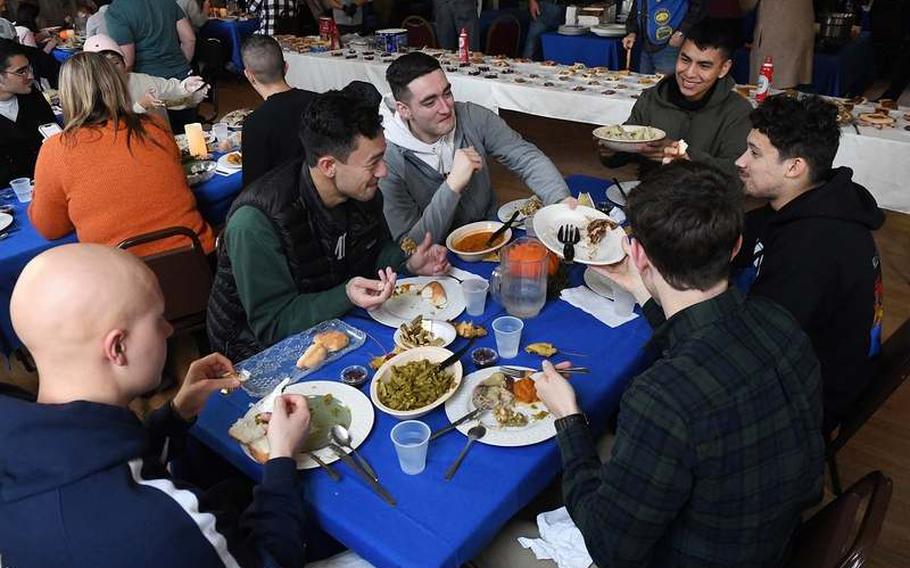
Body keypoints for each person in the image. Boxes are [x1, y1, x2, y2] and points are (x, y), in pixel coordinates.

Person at [533, 161, 825, 567]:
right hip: (772, 539)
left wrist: (568, 418)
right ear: (736, 245)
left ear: (636, 252)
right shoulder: (779, 321)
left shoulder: (661, 400)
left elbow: (607, 545)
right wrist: (642, 289)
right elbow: (701, 334)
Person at [0, 243, 310, 568]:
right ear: (118, 347)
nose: (169, 329)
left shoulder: (25, 448)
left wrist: (177, 412)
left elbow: (114, 459)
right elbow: (272, 560)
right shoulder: (163, 522)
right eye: (158, 318)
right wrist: (281, 459)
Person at [207, 87, 451, 361]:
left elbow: (375, 251)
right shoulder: (256, 223)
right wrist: (345, 295)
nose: (383, 171)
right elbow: (272, 325)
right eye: (373, 163)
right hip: (254, 353)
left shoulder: (362, 191)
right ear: (328, 166)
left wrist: (407, 261)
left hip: (337, 320)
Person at [733, 94, 885, 432]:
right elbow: (741, 236)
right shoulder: (811, 201)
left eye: (755, 153)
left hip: (802, 404)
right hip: (798, 365)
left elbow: (753, 352)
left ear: (794, 167)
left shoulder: (813, 249)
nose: (740, 161)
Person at [29, 52, 215, 257]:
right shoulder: (154, 126)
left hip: (126, 276)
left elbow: (51, 229)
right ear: (118, 83)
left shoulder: (57, 149)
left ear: (67, 95)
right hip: (197, 258)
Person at [380, 52, 572, 244]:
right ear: (404, 110)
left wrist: (560, 202)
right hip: (438, 259)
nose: (446, 108)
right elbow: (412, 246)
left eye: (447, 93)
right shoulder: (387, 161)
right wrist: (453, 185)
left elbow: (526, 158)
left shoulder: (473, 117)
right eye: (430, 102)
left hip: (493, 234)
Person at [599, 18, 750, 179]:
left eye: (704, 66)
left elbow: (738, 172)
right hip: (650, 196)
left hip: (709, 201)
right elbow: (626, 152)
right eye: (685, 60)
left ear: (723, 68)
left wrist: (686, 156)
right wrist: (611, 151)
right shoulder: (652, 98)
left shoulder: (738, 111)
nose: (690, 73)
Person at [240, 34, 316, 187]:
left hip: (282, 203)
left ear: (249, 76)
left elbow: (252, 187)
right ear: (286, 67)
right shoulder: (318, 101)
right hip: (320, 195)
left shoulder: (254, 123)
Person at [83, 34, 208, 120]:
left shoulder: (139, 80)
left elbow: (168, 89)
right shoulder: (90, 94)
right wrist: (140, 107)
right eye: (105, 66)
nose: (113, 70)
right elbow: (112, 129)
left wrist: (185, 87)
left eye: (116, 63)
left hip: (157, 141)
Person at [0, 38, 54, 189]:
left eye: (29, 69)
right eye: (21, 72)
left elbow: (53, 137)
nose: (30, 76)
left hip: (46, 184)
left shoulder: (33, 97)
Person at [105, 0, 196, 78]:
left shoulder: (116, 10)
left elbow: (128, 62)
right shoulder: (168, 1)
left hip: (149, 82)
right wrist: (179, 65)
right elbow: (190, 39)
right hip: (183, 75)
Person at [740, 0, 814, 89]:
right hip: (802, 30)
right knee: (793, 89)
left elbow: (747, 4)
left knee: (766, 90)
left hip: (776, 33)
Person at [623, 0, 706, 74]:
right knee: (644, 85)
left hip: (670, 44)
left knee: (666, 85)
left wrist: (682, 31)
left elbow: (698, 8)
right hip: (645, 45)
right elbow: (636, 10)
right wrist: (632, 32)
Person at [521, 0, 597, 60]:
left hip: (569, 8)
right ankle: (523, 73)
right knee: (533, 43)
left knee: (562, 46)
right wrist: (532, 1)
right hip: (544, 7)